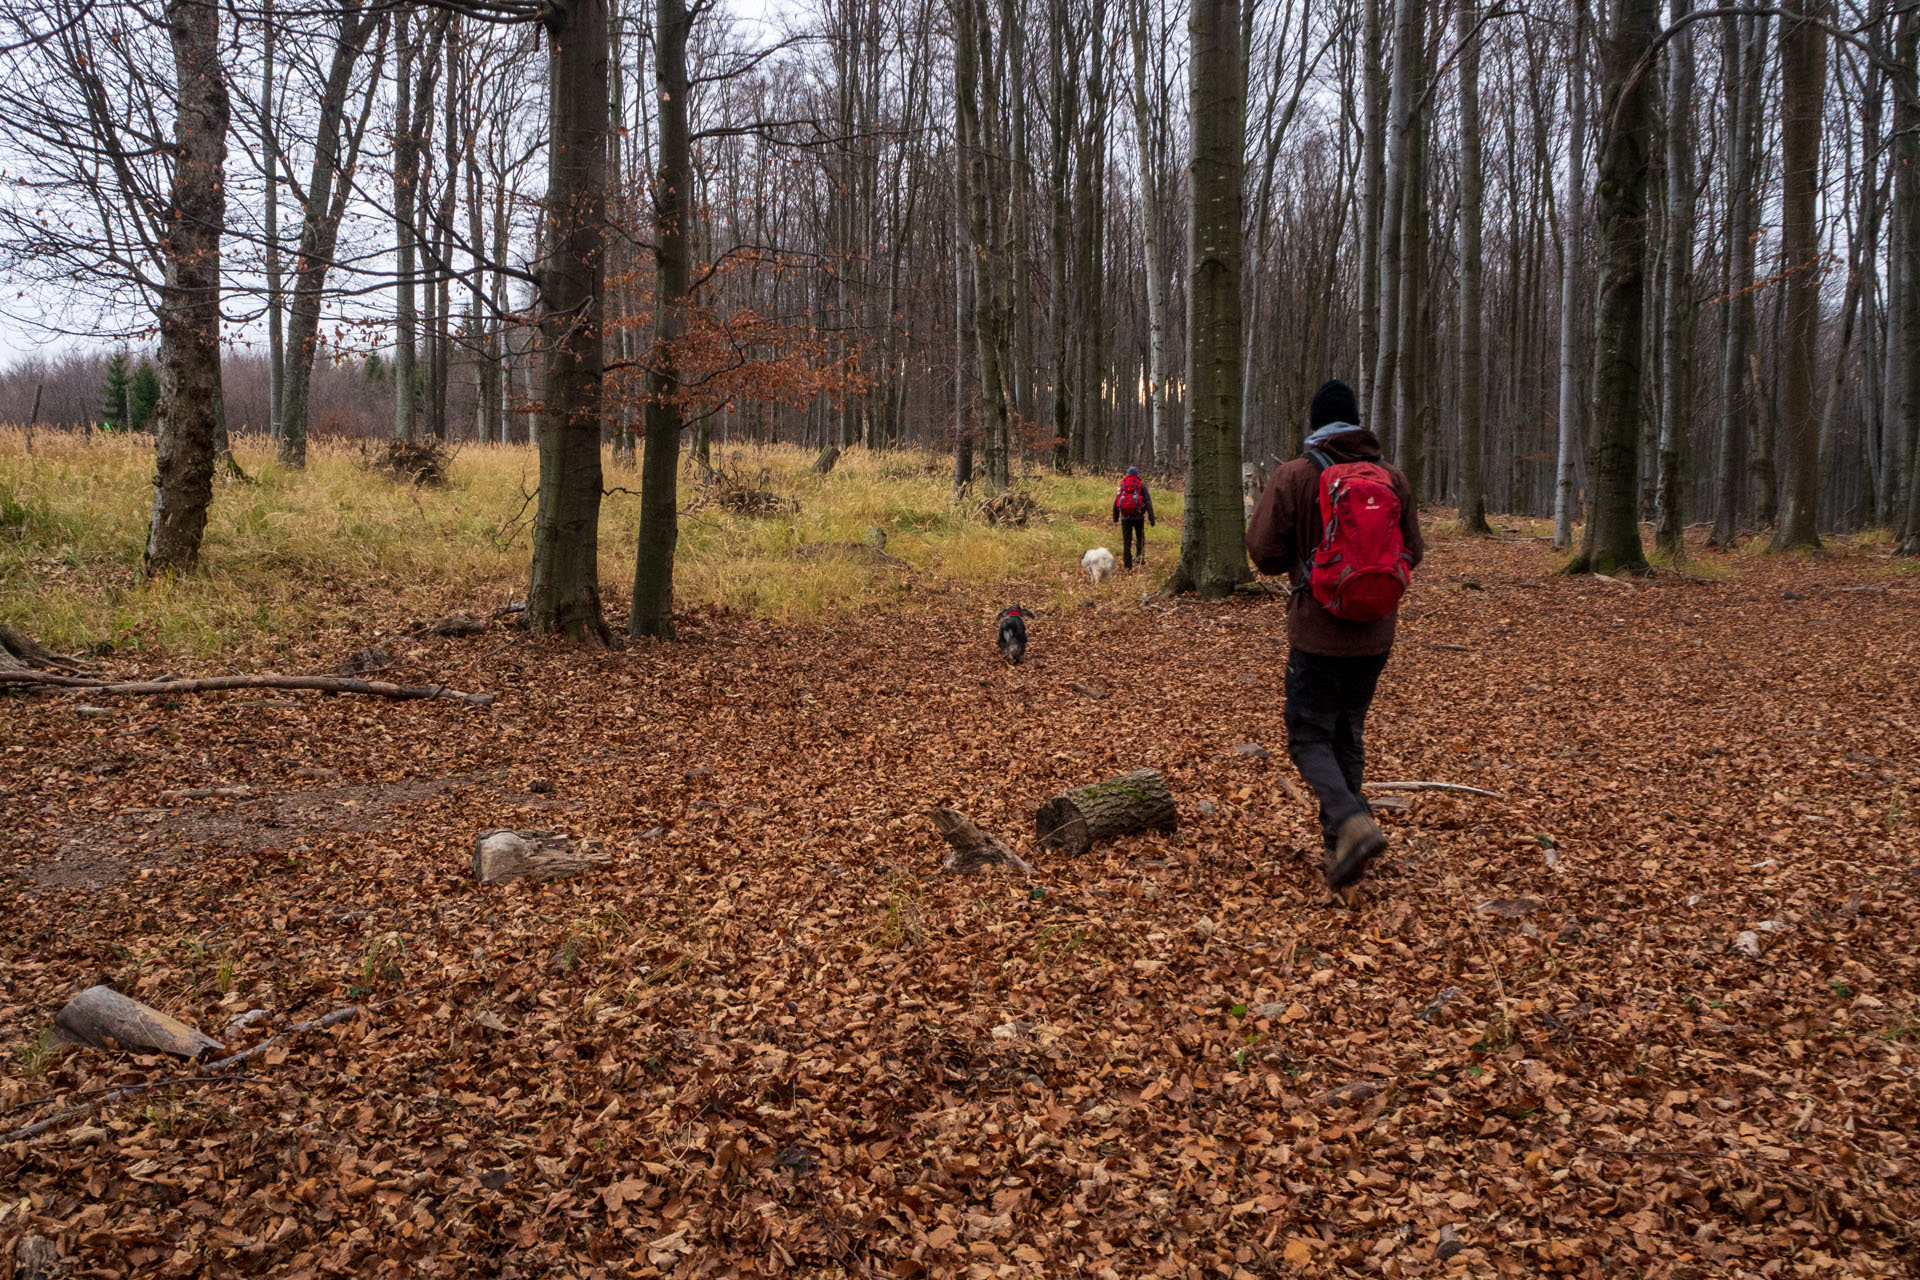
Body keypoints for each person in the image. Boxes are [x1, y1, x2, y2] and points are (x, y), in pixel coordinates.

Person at [1245, 379, 1425, 894]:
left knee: (1307, 735)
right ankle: (1341, 852)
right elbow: (1413, 550)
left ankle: (1351, 819)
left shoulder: (1295, 475)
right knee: (1347, 730)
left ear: (1315, 425)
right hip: (1375, 636)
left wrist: (1304, 569)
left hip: (1317, 632)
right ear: (1355, 421)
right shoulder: (1391, 477)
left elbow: (1262, 551)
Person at [1111, 467, 1156, 569]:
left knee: (1127, 540)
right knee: (1140, 537)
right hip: (1138, 517)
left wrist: (1115, 517)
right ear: (1137, 475)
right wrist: (1151, 518)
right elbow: (1148, 502)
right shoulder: (1141, 486)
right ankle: (1140, 558)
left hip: (1125, 518)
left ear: (1127, 474)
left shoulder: (1122, 485)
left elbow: (1116, 501)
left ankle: (1127, 565)